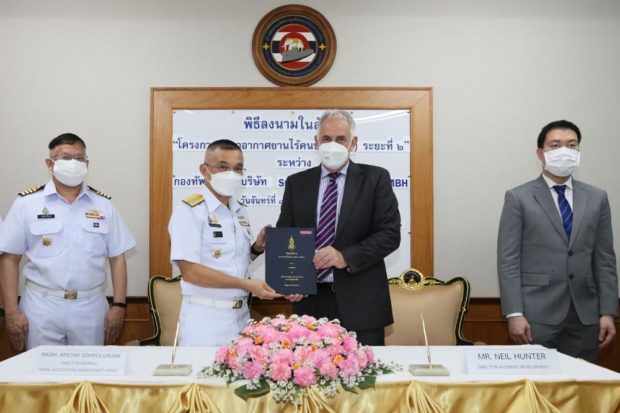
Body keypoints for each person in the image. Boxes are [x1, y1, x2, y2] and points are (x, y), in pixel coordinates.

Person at [0, 133, 136, 351]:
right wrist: (11, 312)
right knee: (42, 372)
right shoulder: (27, 204)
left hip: (90, 306)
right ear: (50, 163)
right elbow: (9, 259)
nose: (73, 163)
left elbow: (118, 258)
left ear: (87, 164)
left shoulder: (103, 205)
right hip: (41, 306)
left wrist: (119, 305)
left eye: (79, 158)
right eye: (65, 157)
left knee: (89, 370)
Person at [276, 110, 401, 346]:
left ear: (353, 143)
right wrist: (291, 282)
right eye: (326, 139)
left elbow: (390, 234)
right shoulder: (296, 182)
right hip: (309, 303)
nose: (332, 145)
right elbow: (286, 236)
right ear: (316, 141)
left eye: (341, 139)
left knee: (366, 369)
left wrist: (345, 256)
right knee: (308, 369)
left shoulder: (376, 179)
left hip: (362, 305)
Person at [498, 120, 618, 362]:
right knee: (535, 383)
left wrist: (608, 312)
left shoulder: (597, 198)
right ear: (540, 153)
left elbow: (605, 259)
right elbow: (508, 260)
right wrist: (514, 313)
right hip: (535, 316)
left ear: (579, 151)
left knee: (582, 383)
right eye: (555, 145)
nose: (564, 150)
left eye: (571, 145)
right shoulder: (518, 198)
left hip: (585, 317)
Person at [168, 139, 282, 346]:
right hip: (205, 319)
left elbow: (234, 260)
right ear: (204, 170)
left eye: (237, 168)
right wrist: (245, 284)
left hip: (241, 317)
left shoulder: (239, 210)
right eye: (223, 167)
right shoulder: (189, 211)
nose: (231, 174)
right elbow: (191, 271)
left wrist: (256, 248)